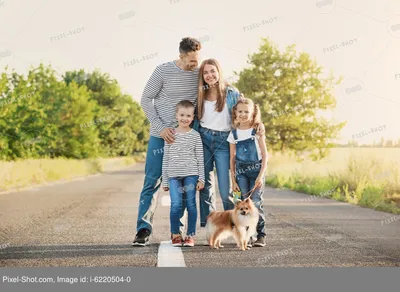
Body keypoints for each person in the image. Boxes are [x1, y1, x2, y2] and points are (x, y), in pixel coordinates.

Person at [133, 37, 201, 246]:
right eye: (191, 60)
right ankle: (143, 229)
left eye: (197, 59)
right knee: (152, 181)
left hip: (186, 137)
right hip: (160, 135)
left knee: (182, 183)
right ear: (180, 55)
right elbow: (145, 99)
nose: (195, 64)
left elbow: (220, 87)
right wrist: (160, 127)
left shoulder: (199, 73)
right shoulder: (162, 71)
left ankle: (178, 232)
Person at [196, 58, 265, 227]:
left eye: (213, 71)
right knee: (205, 186)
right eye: (206, 72)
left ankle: (233, 224)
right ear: (202, 76)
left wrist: (259, 123)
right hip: (203, 139)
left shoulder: (231, 93)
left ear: (219, 72)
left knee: (226, 189)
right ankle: (211, 225)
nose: (210, 75)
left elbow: (246, 111)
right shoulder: (199, 93)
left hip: (223, 141)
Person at [162, 100, 205, 247]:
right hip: (173, 176)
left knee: (191, 205)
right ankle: (175, 234)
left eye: (188, 116)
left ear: (193, 118)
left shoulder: (195, 136)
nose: (184, 118)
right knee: (176, 205)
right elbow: (165, 159)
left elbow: (200, 158)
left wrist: (202, 179)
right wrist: (165, 181)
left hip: (191, 175)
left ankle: (190, 235)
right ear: (176, 116)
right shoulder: (170, 135)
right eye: (182, 115)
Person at [228, 97, 268, 247]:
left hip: (257, 170)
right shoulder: (233, 134)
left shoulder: (257, 131)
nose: (243, 114)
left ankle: (261, 235)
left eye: (247, 111)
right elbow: (232, 159)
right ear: (235, 113)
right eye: (240, 111)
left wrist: (260, 176)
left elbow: (265, 156)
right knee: (243, 204)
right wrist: (233, 180)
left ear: (252, 113)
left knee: (256, 203)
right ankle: (247, 237)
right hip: (241, 172)